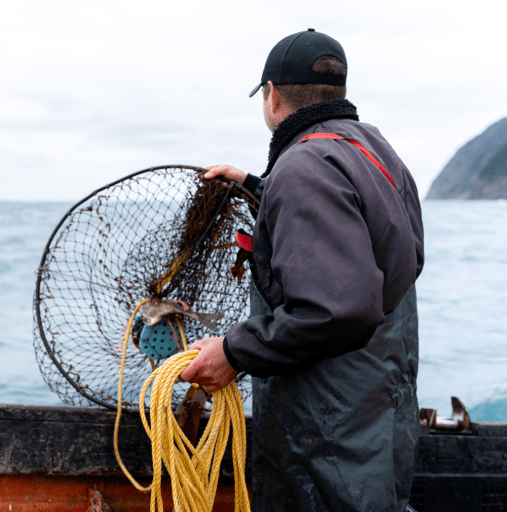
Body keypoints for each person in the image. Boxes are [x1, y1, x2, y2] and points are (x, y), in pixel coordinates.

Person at [179, 29, 424, 512]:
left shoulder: (303, 166)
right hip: (380, 400)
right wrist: (256, 185)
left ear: (271, 95)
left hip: (327, 421)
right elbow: (366, 235)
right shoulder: (372, 149)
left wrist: (232, 351)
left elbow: (337, 311)